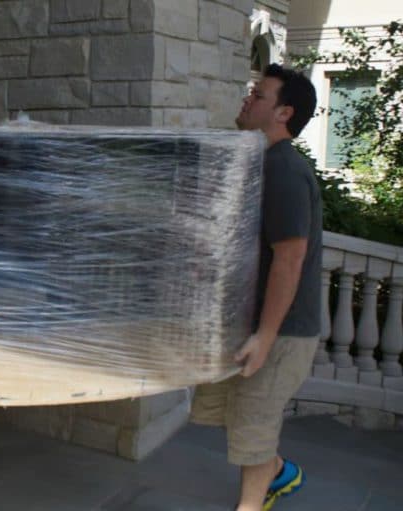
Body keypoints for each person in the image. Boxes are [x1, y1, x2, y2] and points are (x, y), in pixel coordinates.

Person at [190, 63, 321, 511]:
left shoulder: (284, 170)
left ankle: (251, 504)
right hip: (251, 322)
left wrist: (265, 338)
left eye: (259, 95)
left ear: (284, 113)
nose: (248, 99)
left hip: (281, 331)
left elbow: (290, 258)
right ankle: (281, 473)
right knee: (239, 418)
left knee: (253, 430)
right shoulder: (259, 163)